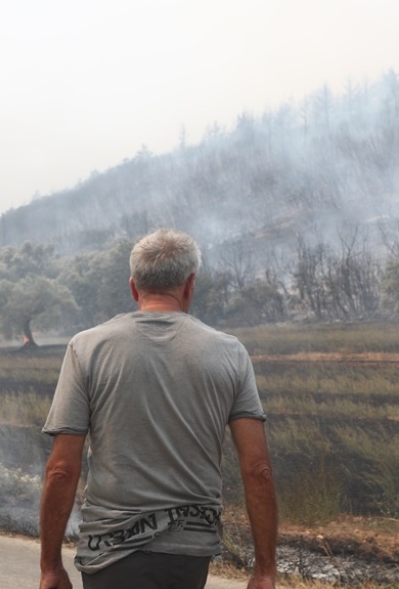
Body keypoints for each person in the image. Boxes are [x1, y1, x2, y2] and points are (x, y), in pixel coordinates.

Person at [38, 228, 278, 589]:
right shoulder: (230, 353)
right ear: (190, 284)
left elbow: (61, 469)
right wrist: (264, 572)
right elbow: (257, 468)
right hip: (189, 554)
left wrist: (50, 567)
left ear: (133, 287)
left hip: (109, 553)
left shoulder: (87, 348)